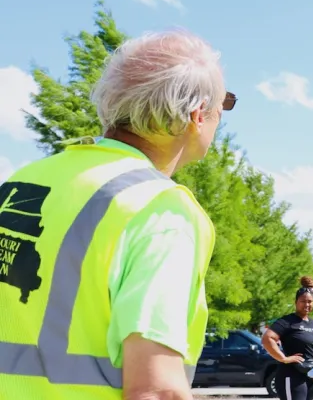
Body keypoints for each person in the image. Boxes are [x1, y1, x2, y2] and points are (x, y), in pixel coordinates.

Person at [0, 30, 229, 399]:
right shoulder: (159, 209)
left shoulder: (21, 182)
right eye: (225, 103)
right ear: (197, 114)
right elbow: (155, 390)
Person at [264, 277, 313, 398]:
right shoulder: (287, 321)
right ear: (296, 302)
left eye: (310, 301)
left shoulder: (312, 323)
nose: (307, 304)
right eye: (303, 301)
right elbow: (267, 339)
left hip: (311, 376)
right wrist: (283, 358)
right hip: (291, 376)